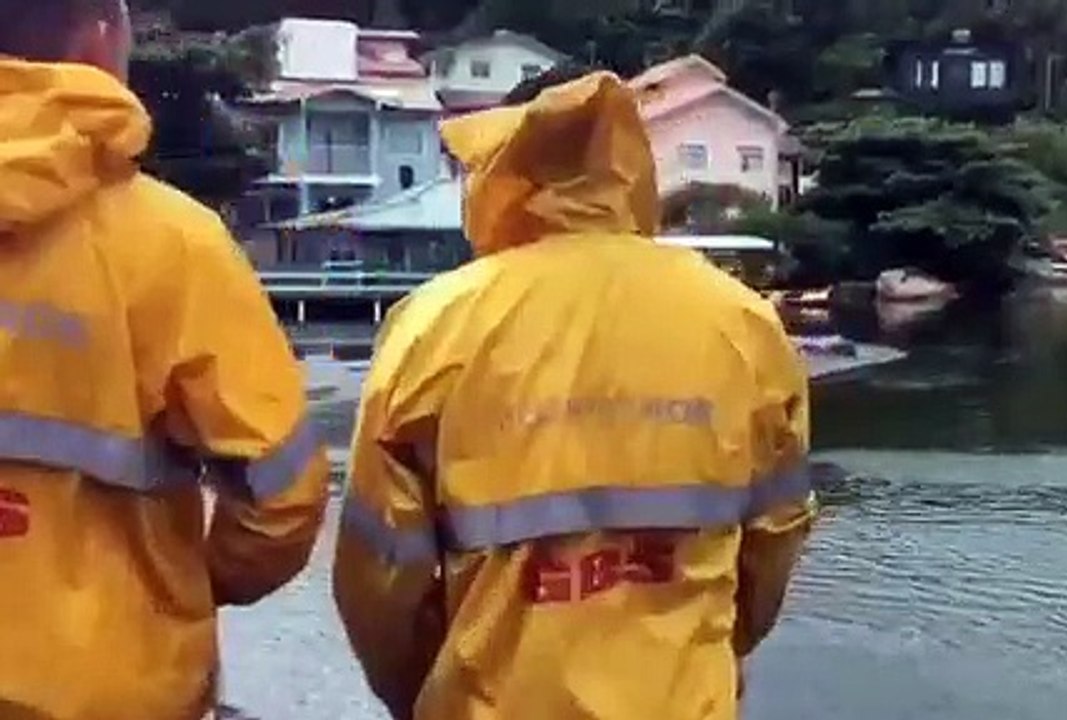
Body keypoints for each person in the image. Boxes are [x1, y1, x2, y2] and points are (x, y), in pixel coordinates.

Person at [333, 64, 816, 720]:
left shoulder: (435, 327)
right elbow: (774, 538)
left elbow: (379, 582)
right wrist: (707, 653)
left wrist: (423, 694)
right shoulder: (740, 323)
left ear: (499, 164)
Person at [0, 2, 329, 718]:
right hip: (111, 690)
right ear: (100, 35)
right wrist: (197, 582)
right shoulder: (174, 244)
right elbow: (282, 494)